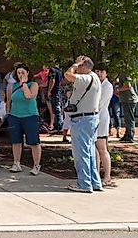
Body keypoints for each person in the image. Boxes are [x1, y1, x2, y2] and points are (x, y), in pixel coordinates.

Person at [64, 56, 103, 193]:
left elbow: (68, 75)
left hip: (82, 119)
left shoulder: (85, 78)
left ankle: (84, 184)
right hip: (91, 118)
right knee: (90, 152)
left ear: (83, 66)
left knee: (81, 153)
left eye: (79, 66)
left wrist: (75, 64)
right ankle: (94, 182)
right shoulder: (95, 78)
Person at [7, 63, 42, 175]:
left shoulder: (34, 84)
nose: (20, 75)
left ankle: (36, 165)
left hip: (30, 115)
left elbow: (29, 96)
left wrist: (24, 84)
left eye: (23, 72)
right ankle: (16, 163)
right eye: (18, 73)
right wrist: (8, 113)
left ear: (27, 73)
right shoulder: (13, 85)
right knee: (16, 140)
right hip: (15, 115)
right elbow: (9, 100)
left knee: (33, 141)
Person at [94, 63, 115, 188]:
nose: (99, 74)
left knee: (102, 148)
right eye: (98, 71)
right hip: (93, 118)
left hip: (101, 118)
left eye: (102, 71)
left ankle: (107, 176)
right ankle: (96, 174)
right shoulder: (95, 84)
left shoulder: (107, 86)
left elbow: (99, 104)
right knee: (94, 149)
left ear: (106, 73)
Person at [116, 73, 138, 143]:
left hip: (129, 99)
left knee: (129, 119)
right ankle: (127, 134)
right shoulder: (122, 73)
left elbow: (128, 86)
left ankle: (130, 136)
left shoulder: (126, 73)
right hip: (126, 99)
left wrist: (118, 89)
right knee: (127, 118)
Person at [47, 65, 64, 132]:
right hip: (58, 90)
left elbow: (52, 80)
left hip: (54, 91)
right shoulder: (59, 71)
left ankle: (59, 126)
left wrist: (49, 91)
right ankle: (58, 125)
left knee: (56, 108)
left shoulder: (52, 70)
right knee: (57, 108)